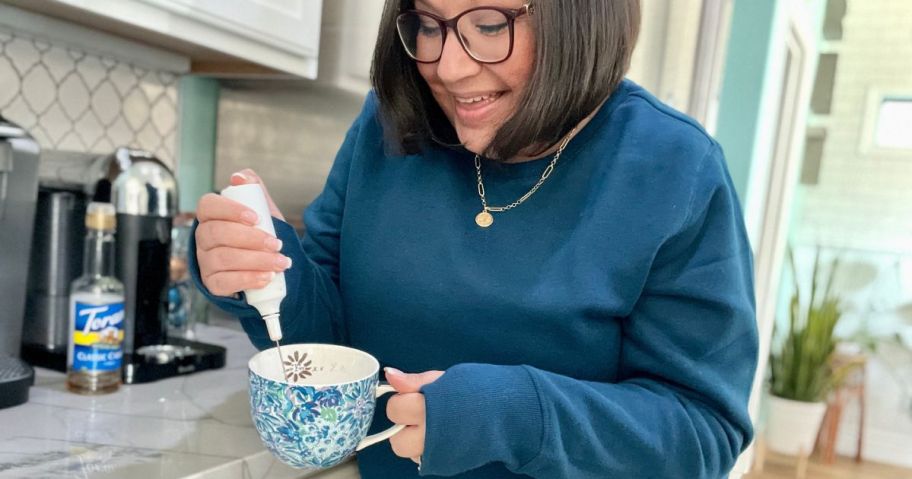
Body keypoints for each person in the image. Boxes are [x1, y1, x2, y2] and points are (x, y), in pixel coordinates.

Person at [189, 0, 759, 477]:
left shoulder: (675, 169)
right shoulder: (386, 126)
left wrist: (510, 415)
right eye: (428, 25)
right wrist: (258, 268)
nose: (451, 68)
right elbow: (331, 348)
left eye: (489, 26)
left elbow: (701, 432)